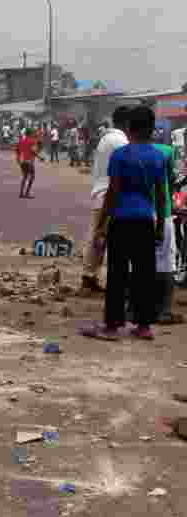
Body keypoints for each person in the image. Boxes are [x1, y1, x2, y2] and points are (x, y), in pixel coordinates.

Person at [83, 106, 165, 341]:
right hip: (146, 220)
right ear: (151, 129)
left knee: (117, 274)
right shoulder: (158, 156)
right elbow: (161, 196)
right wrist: (159, 227)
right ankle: (144, 325)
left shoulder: (120, 155)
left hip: (121, 219)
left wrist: (101, 225)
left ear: (129, 128)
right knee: (144, 274)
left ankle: (112, 326)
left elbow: (113, 193)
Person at [82, 107, 131, 293]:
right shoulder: (120, 141)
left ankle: (89, 276)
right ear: (127, 123)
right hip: (111, 196)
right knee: (111, 241)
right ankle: (107, 281)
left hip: (100, 193)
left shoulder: (106, 138)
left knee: (97, 237)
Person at [151, 135, 183, 324]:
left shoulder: (125, 152)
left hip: (136, 213)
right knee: (166, 262)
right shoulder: (167, 151)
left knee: (136, 261)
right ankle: (164, 311)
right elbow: (170, 183)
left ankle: (133, 308)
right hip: (163, 212)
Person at [16, 127, 44, 198]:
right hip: (29, 161)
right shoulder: (32, 141)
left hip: (22, 161)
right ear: (31, 133)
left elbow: (17, 150)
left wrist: (18, 159)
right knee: (32, 177)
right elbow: (33, 151)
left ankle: (21, 193)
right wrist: (40, 157)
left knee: (25, 176)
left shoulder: (21, 141)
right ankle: (27, 193)